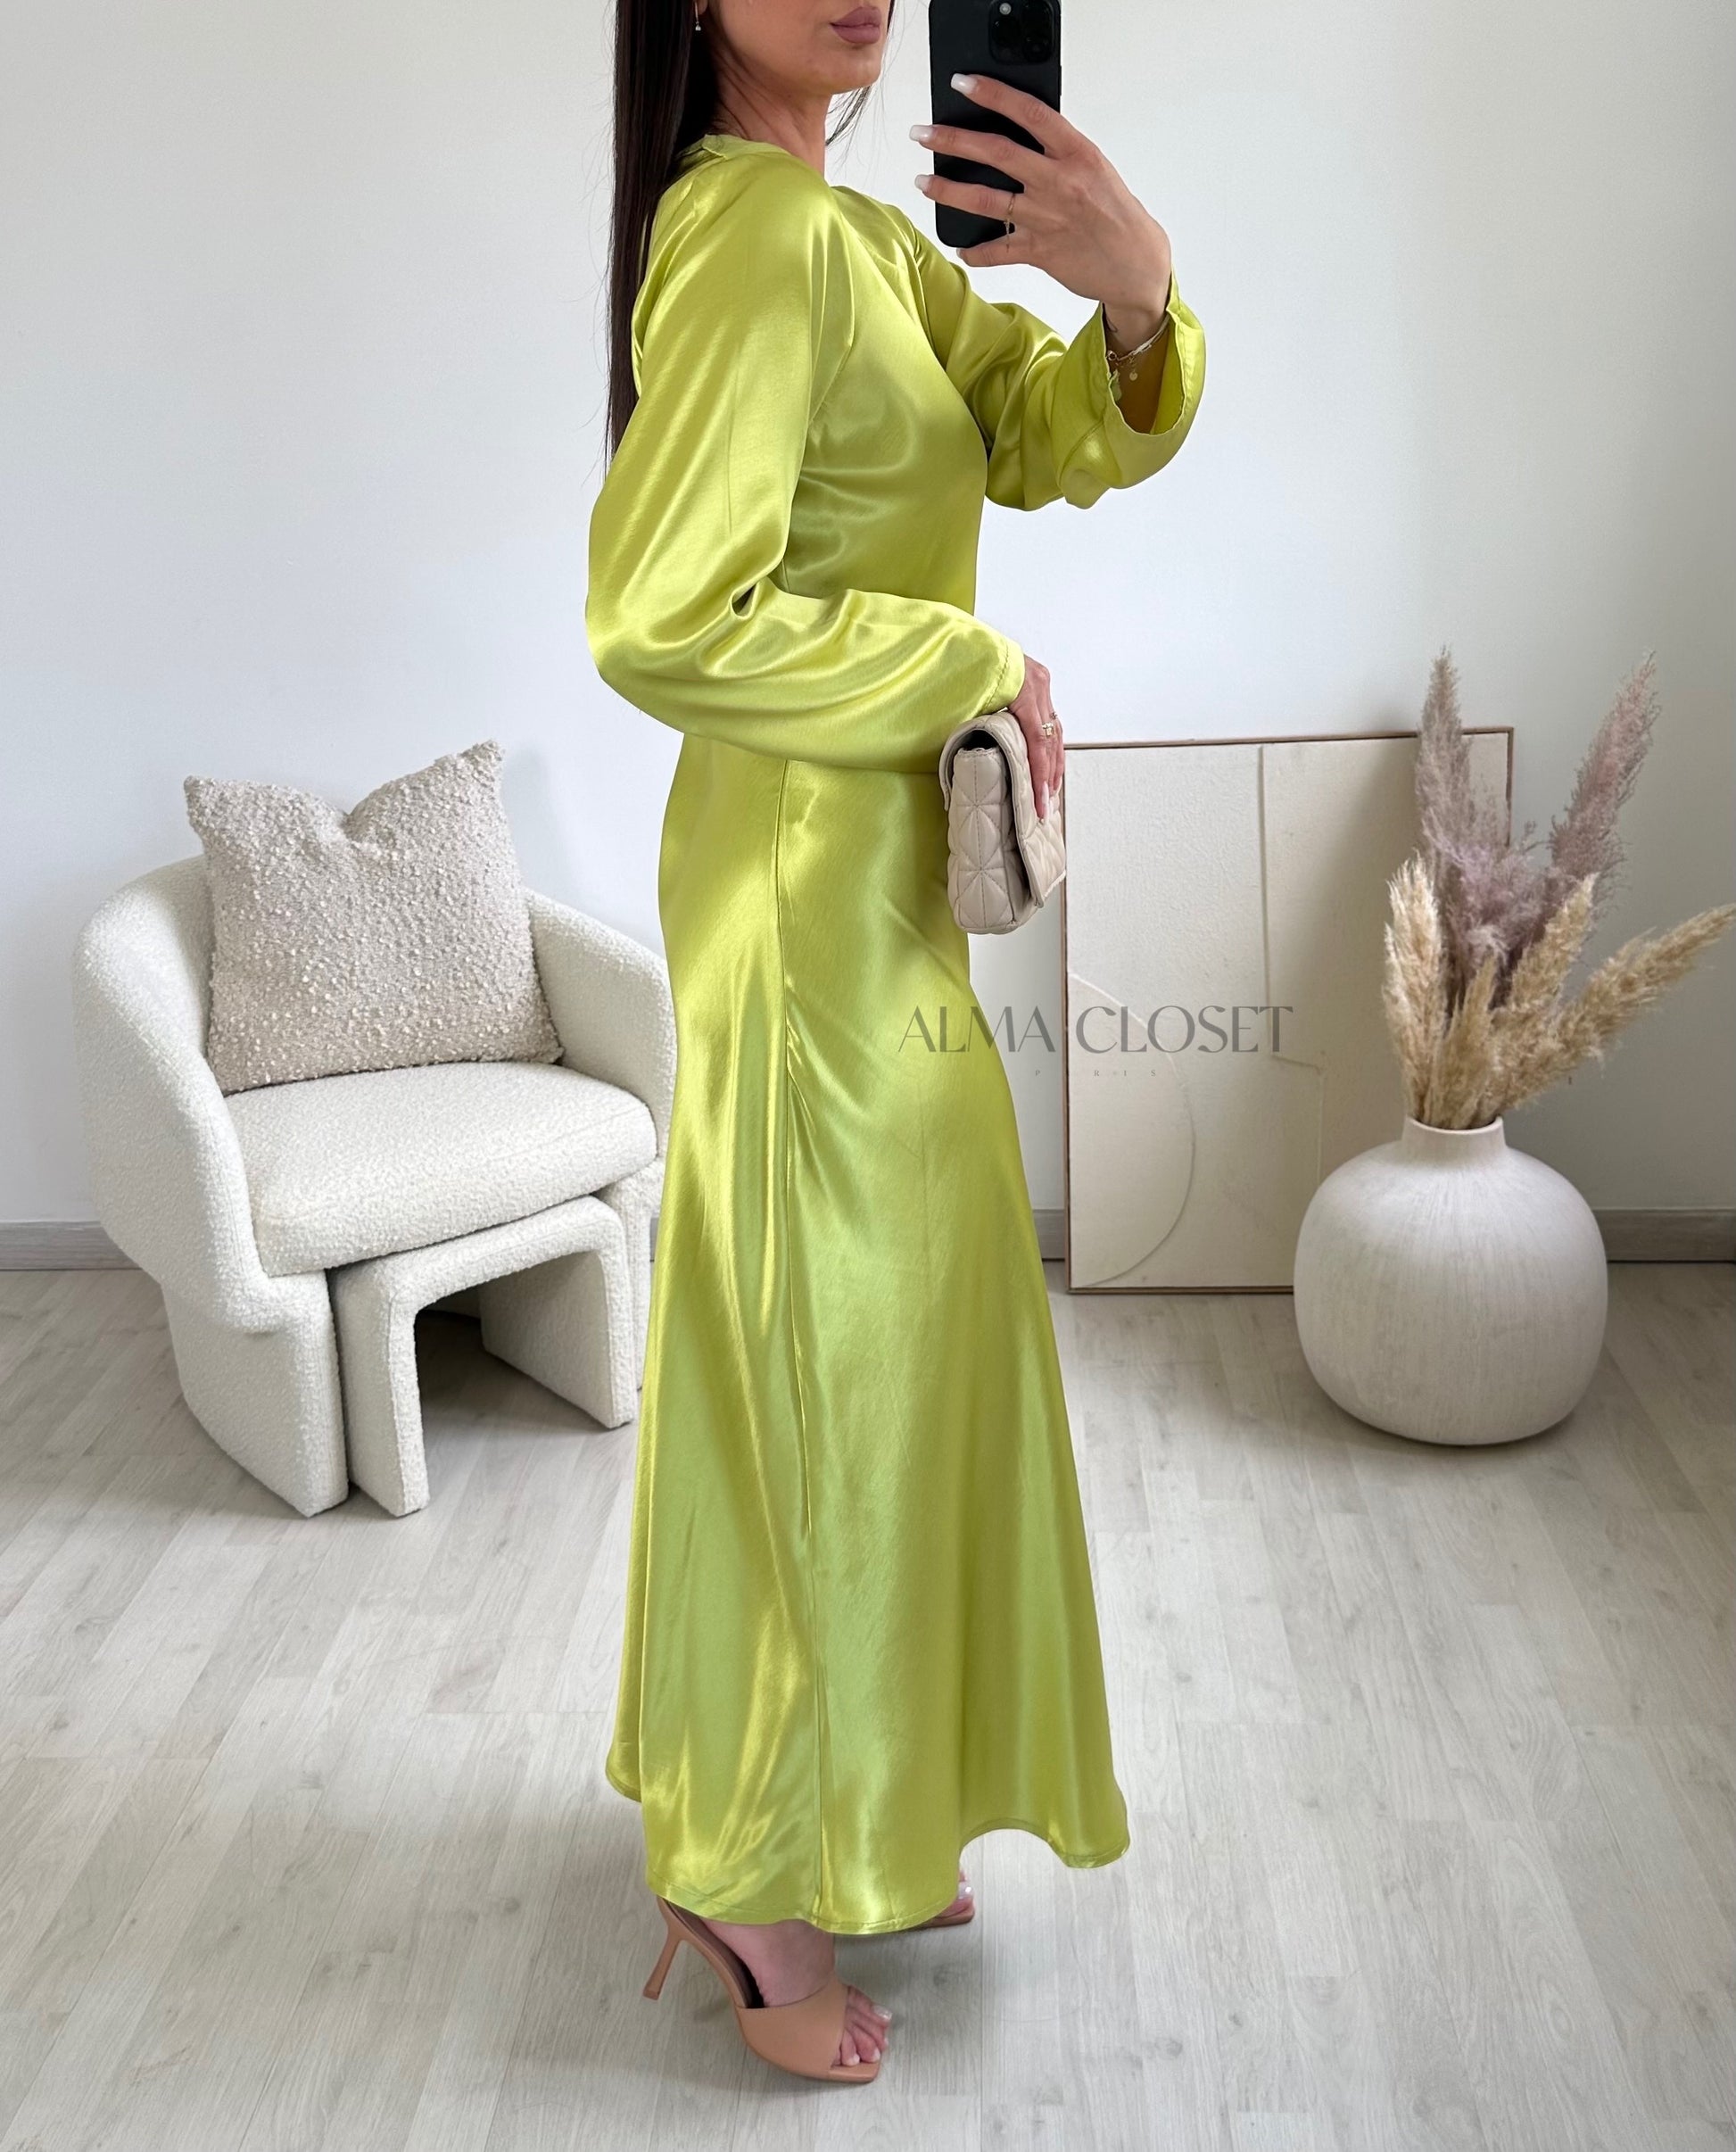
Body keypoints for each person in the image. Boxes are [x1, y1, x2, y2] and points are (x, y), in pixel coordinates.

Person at [584, 0, 1205, 2087]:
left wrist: (1134, 298)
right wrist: (963, 657)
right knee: (813, 1373)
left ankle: (849, 1798)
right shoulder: (753, 236)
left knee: (891, 1357)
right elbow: (659, 615)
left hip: (870, 890)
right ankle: (754, 1874)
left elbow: (1033, 428)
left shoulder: (850, 239)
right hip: (800, 908)